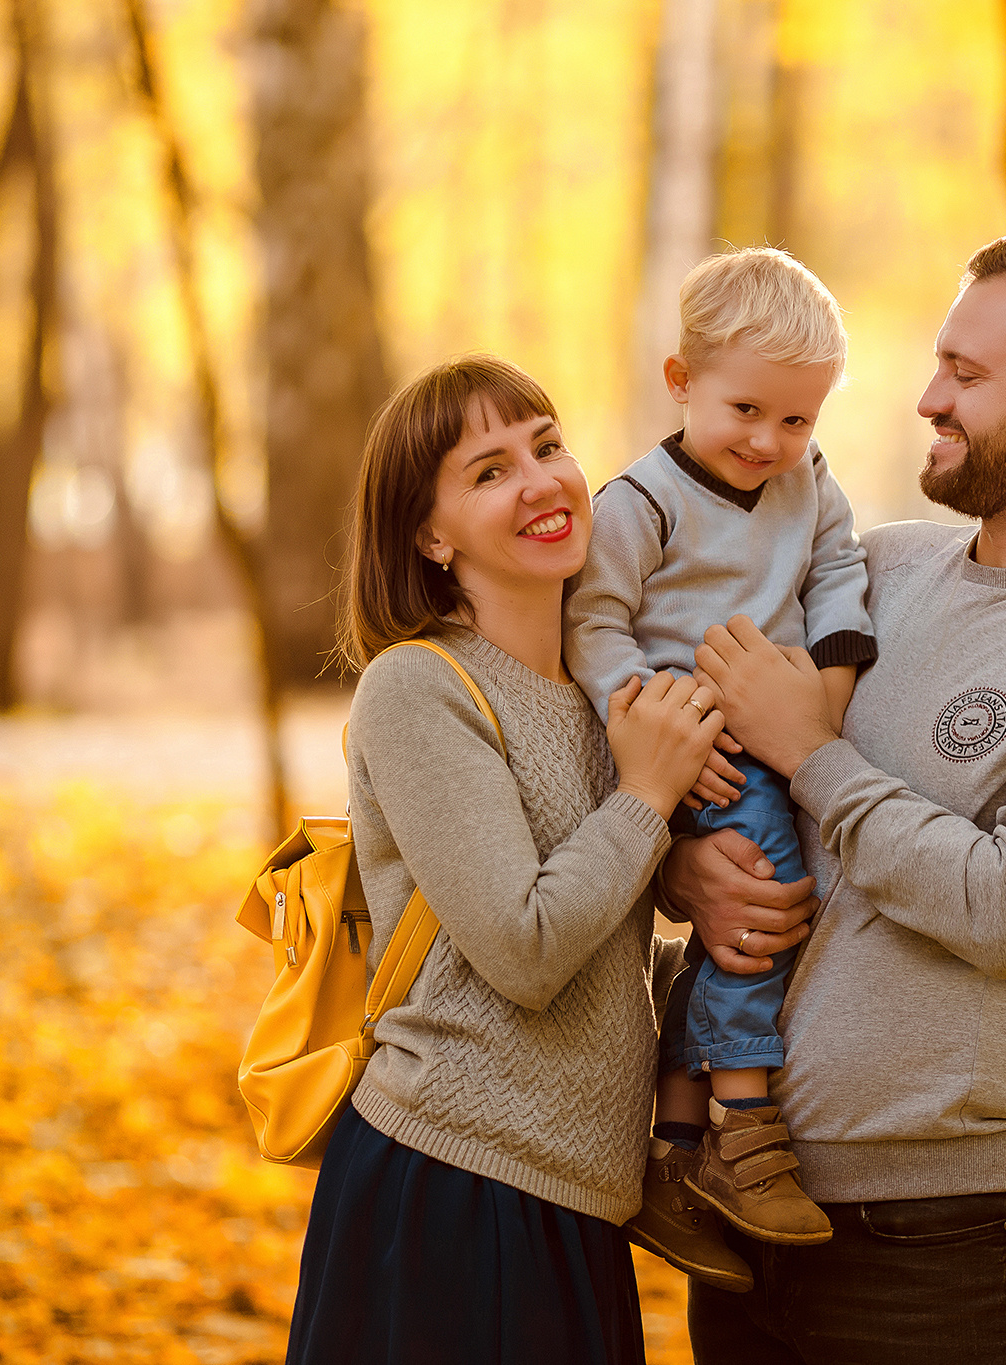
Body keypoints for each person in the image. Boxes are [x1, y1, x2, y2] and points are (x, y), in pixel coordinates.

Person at [665, 231, 1006, 1363]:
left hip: (933, 1249)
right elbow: (711, 761)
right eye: (937, 364)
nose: (927, 398)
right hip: (739, 1206)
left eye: (966, 375)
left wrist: (813, 751)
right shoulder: (873, 570)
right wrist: (685, 869)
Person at [286, 354, 741, 1364]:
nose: (541, 482)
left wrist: (724, 936)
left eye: (546, 446)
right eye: (488, 471)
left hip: (576, 1203)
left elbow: (602, 962)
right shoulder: (418, 691)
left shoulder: (603, 697)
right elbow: (526, 949)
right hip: (450, 1189)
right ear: (429, 533)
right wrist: (647, 796)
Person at [566, 247, 873, 1263]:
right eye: (746, 411)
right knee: (764, 891)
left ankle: (680, 1125)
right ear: (680, 382)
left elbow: (836, 565)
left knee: (775, 903)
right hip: (689, 743)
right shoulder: (639, 503)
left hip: (780, 723)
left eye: (797, 420)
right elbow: (596, 623)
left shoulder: (807, 481)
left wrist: (829, 683)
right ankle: (744, 1118)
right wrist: (646, 721)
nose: (770, 441)